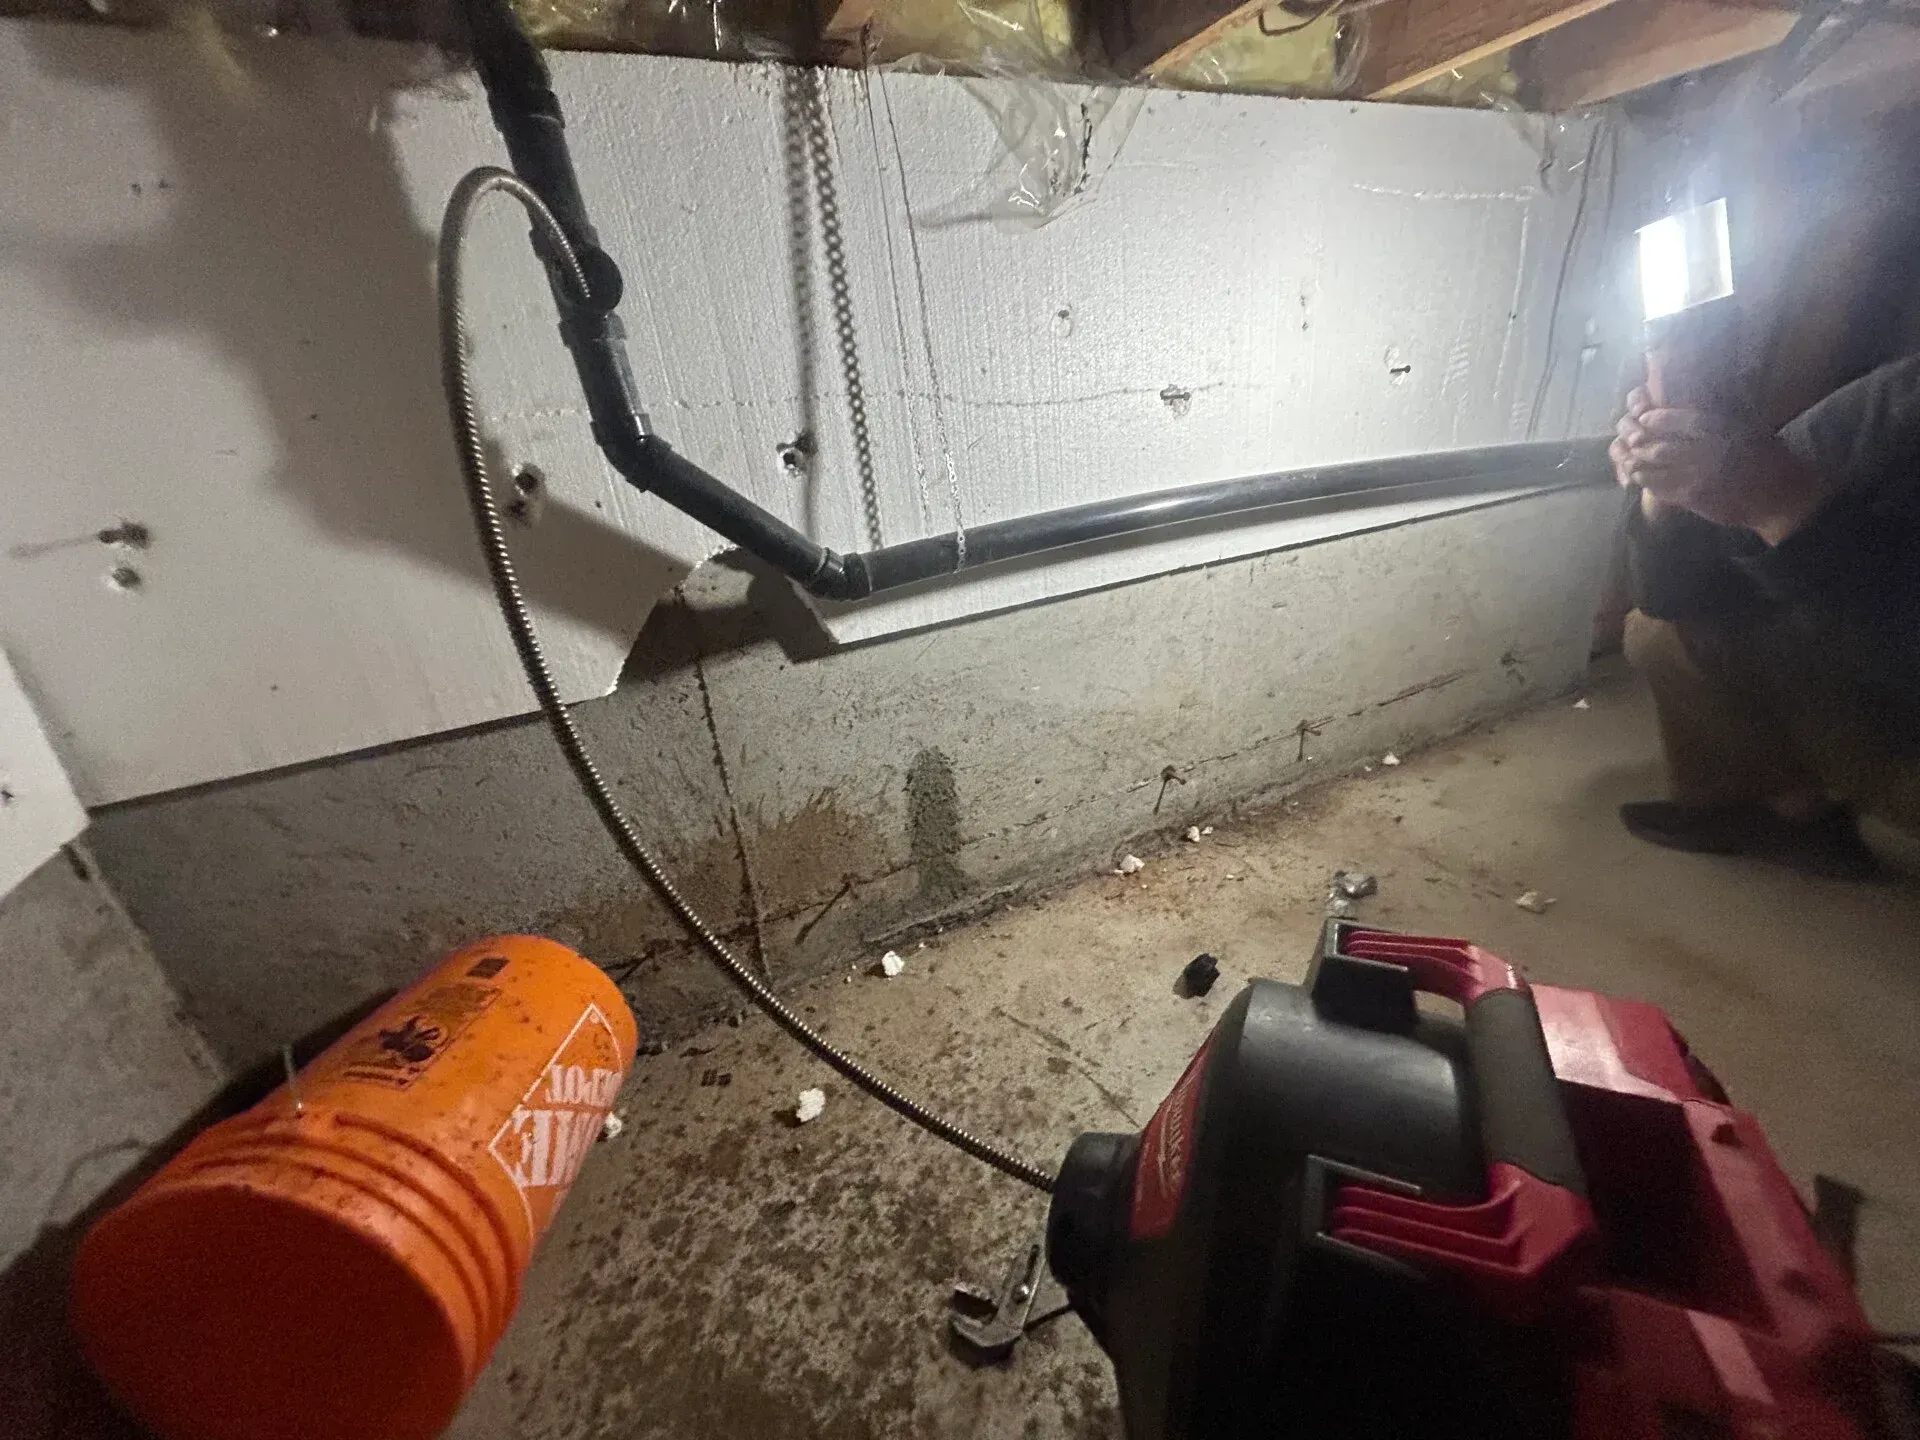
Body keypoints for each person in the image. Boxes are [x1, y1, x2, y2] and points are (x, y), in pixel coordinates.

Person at [1609, 351, 1920, 878]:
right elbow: (1675, 599)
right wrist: (1669, 490)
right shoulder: (1895, 401)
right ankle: (1785, 811)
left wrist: (1786, 505)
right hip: (1882, 695)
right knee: (1661, 633)